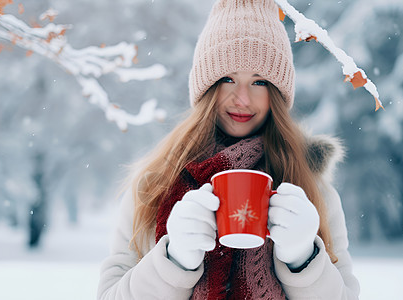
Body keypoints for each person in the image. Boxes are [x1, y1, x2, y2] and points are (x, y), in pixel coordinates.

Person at [97, 0, 360, 299]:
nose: (243, 99)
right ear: (206, 88)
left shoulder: (312, 188)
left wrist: (304, 259)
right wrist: (174, 260)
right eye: (228, 79)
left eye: (259, 82)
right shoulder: (154, 185)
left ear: (277, 93)